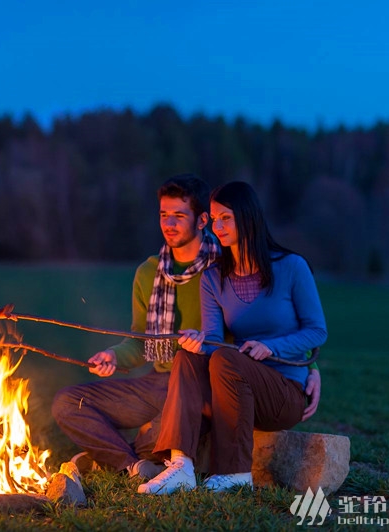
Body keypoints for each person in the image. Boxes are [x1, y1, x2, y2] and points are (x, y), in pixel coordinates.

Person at [139, 181, 328, 495]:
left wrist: (272, 347)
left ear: (247, 217)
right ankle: (180, 466)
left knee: (227, 358)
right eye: (214, 219)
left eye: (225, 218)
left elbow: (316, 330)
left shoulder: (292, 267)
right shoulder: (214, 277)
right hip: (235, 391)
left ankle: (235, 473)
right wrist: (200, 341)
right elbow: (214, 340)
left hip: (283, 393)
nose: (217, 226)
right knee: (187, 356)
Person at [51, 174, 219, 479]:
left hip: (200, 385)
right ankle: (135, 464)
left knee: (171, 427)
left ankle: (118, 457)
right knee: (67, 403)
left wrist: (310, 368)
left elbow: (262, 325)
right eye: (164, 215)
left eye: (179, 216)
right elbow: (140, 340)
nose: (169, 224)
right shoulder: (148, 272)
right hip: (157, 381)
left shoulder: (223, 269)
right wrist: (114, 357)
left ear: (202, 219)